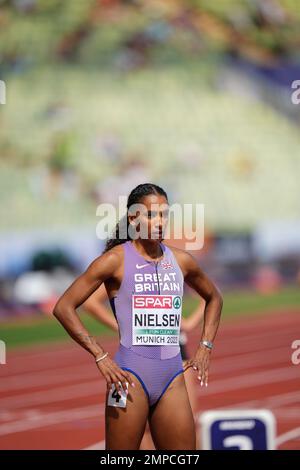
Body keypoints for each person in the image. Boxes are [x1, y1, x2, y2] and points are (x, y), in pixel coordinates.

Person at [53, 182, 223, 450]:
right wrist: (100, 355)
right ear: (134, 218)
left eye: (165, 215)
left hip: (172, 377)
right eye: (152, 214)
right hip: (129, 376)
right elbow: (64, 307)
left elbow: (214, 298)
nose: (160, 222)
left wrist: (205, 347)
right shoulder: (114, 261)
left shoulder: (182, 260)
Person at [81, 283, 205, 449]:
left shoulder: (164, 267)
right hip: (140, 359)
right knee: (145, 429)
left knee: (183, 424)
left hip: (168, 357)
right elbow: (88, 303)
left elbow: (187, 323)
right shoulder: (126, 267)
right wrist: (119, 327)